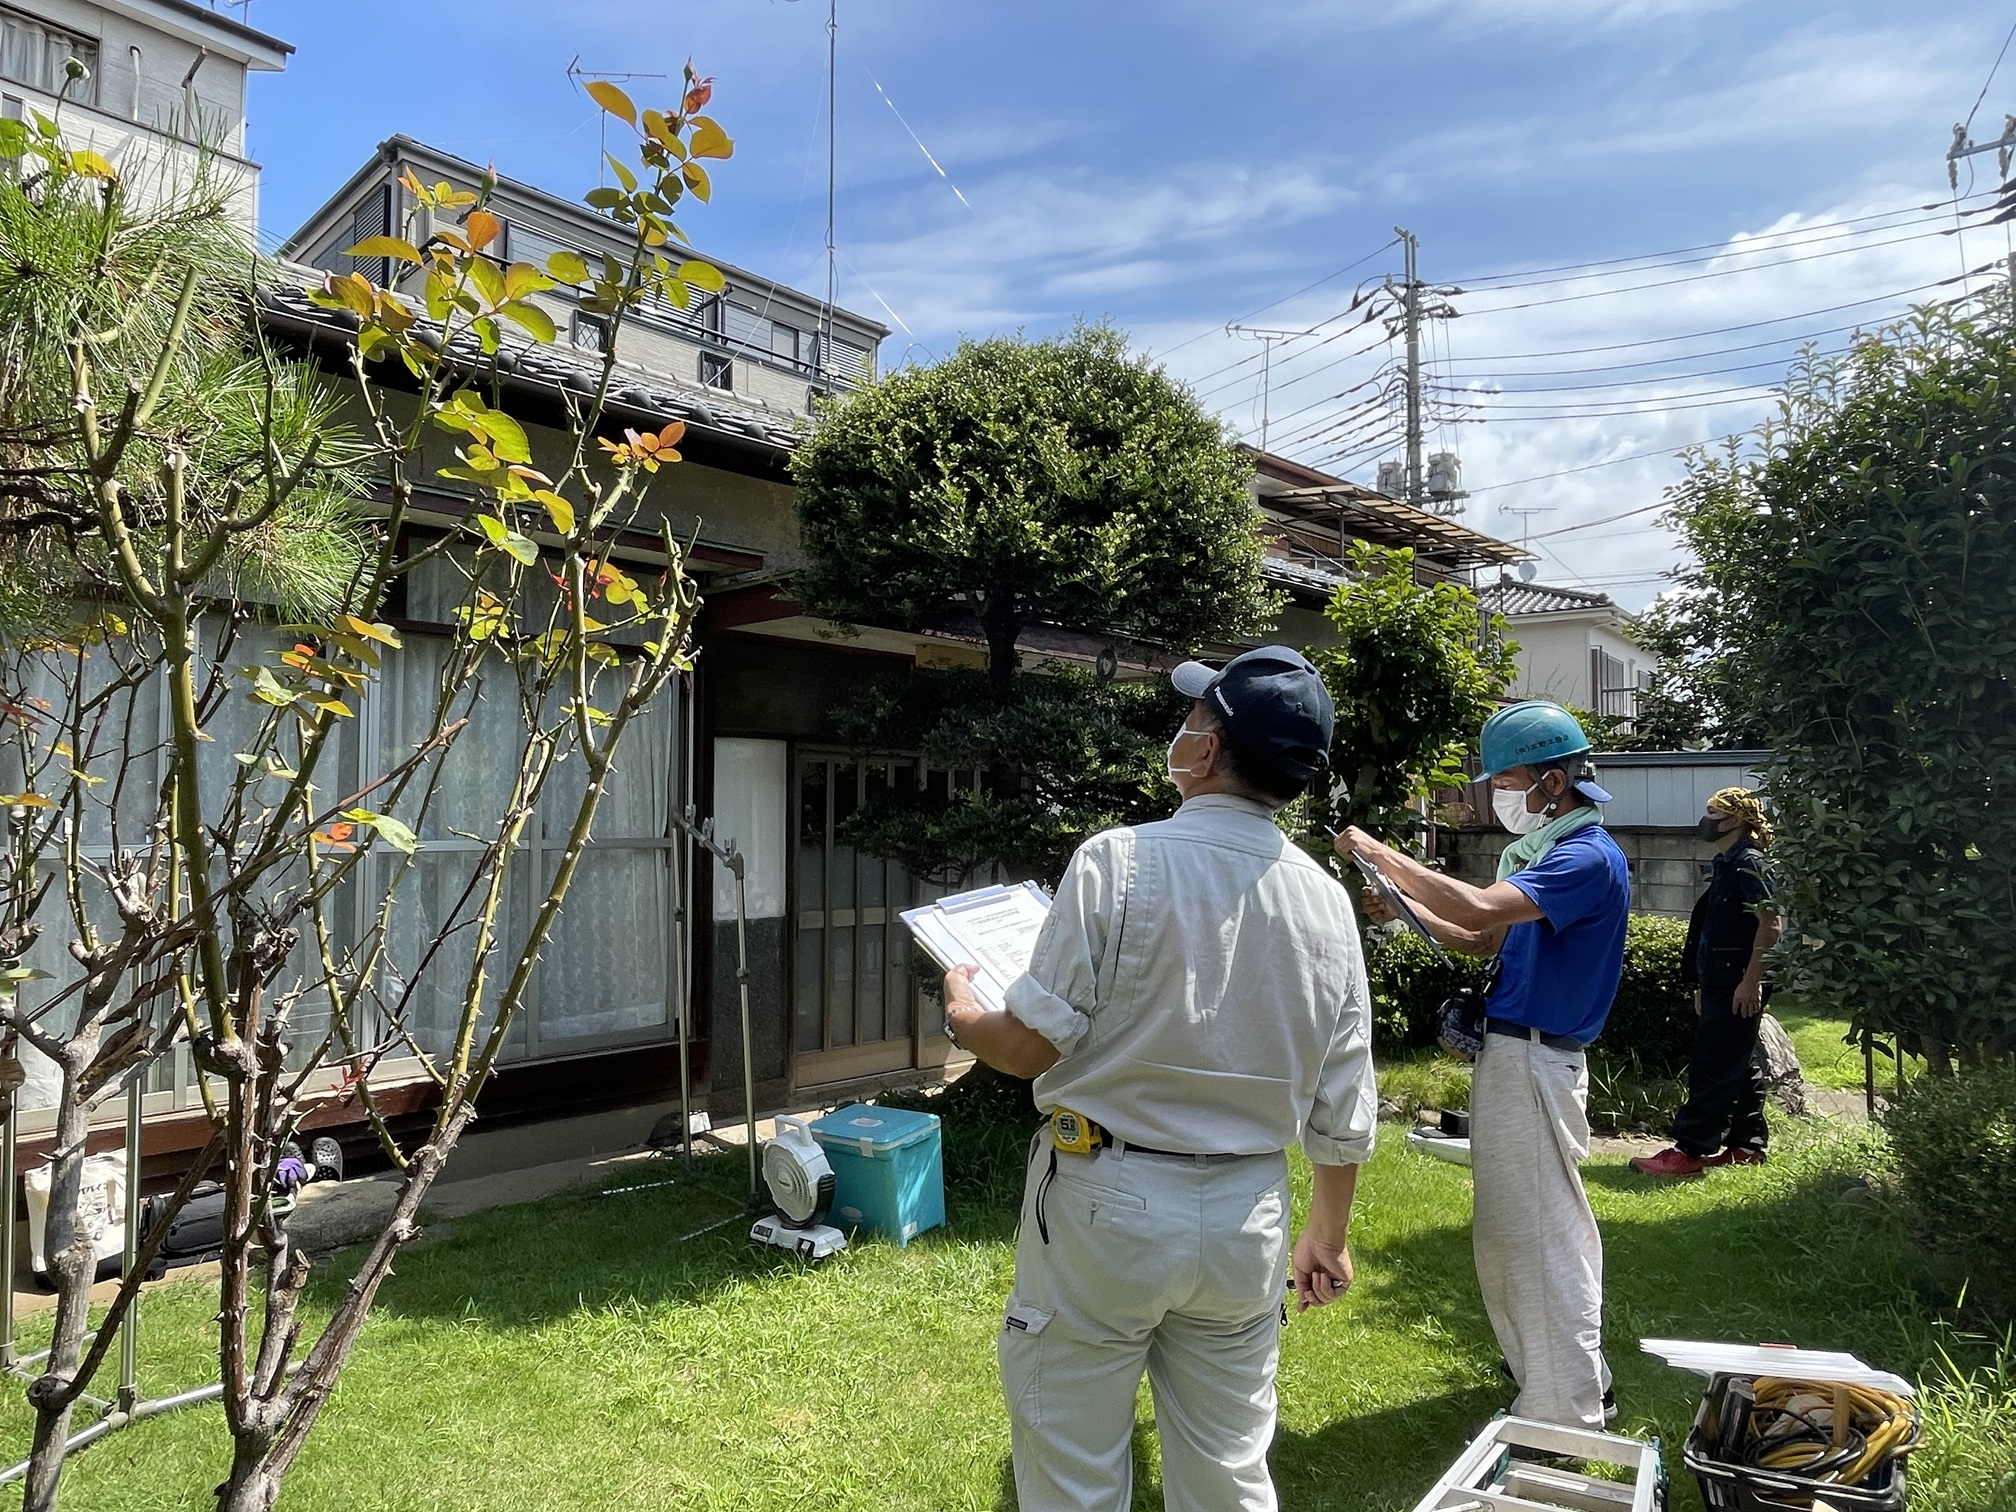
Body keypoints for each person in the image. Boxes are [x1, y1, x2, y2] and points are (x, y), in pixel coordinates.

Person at [943, 645, 1378, 1512]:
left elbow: (1029, 1049)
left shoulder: (1118, 861)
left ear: (1209, 751)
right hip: (1249, 1212)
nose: (1181, 732)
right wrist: (1326, 1235)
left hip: (1107, 1197)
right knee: (1228, 1468)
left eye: (1194, 719)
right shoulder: (1326, 899)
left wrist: (964, 1016)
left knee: (1073, 1464)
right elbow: (1344, 1105)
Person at [1338, 700, 1629, 1431]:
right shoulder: (1552, 855)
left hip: (1535, 1060)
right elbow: (1476, 934)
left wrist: (1385, 854)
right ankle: (1559, 1375)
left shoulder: (1584, 856)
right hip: (1519, 1057)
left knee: (1541, 1235)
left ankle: (1567, 1411)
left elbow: (1475, 901)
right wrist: (1407, 908)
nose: (1497, 795)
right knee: (1515, 1232)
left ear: (1555, 782)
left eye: (1509, 780)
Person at [1631, 787, 1783, 1178]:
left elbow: (1771, 924)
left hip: (1737, 982)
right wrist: (1701, 984)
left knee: (1712, 1065)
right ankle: (1746, 1146)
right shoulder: (1727, 863)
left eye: (1715, 813)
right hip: (1720, 982)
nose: (1708, 820)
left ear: (1737, 820)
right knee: (1738, 1060)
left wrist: (1751, 982)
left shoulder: (1750, 863)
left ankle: (1689, 1152)